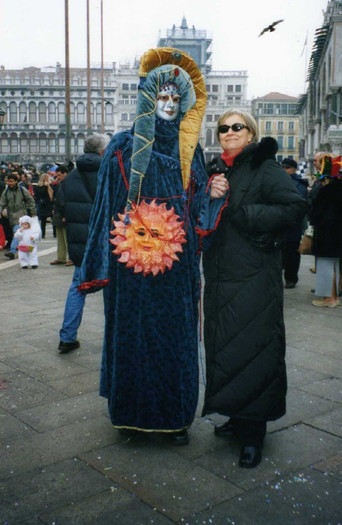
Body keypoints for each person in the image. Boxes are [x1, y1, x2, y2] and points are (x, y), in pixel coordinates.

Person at [79, 48, 228, 444]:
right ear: (149, 99)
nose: (168, 105)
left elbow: (195, 206)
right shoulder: (123, 147)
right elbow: (106, 206)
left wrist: (210, 195)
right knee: (132, 335)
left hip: (175, 266)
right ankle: (131, 416)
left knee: (173, 338)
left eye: (176, 99)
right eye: (161, 97)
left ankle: (172, 418)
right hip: (131, 262)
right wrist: (98, 263)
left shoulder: (189, 149)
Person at [202, 110, 307, 468]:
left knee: (254, 351)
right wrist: (208, 195)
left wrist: (243, 213)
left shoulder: (265, 167)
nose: (229, 132)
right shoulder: (217, 170)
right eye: (223, 128)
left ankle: (254, 434)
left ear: (250, 133)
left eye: (237, 127)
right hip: (219, 277)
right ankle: (235, 415)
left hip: (253, 280)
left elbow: (295, 208)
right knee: (226, 350)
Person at [57, 133, 110, 353]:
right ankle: (113, 340)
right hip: (107, 242)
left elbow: (60, 209)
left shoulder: (69, 178)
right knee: (112, 290)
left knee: (77, 288)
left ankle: (67, 337)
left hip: (80, 244)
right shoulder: (110, 174)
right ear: (101, 152)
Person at [310, 154, 342, 308]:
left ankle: (331, 298)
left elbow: (318, 214)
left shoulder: (327, 192)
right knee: (334, 265)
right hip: (336, 234)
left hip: (327, 234)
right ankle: (333, 296)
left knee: (326, 265)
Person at [281, 158, 308, 288]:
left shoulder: (299, 183)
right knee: (281, 251)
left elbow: (300, 202)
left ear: (294, 169)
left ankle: (291, 278)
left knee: (292, 252)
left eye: (287, 168)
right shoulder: (278, 181)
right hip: (280, 222)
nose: (284, 170)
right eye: (283, 168)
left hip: (293, 223)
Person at [0, 172, 36, 259]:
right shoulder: (6, 192)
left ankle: (12, 251)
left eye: (11, 181)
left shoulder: (22, 190)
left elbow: (30, 200)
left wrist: (32, 212)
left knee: (17, 233)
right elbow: (2, 203)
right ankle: (25, 251)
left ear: (16, 181)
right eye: (8, 181)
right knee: (19, 236)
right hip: (11, 216)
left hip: (21, 216)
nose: (10, 183)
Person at [50, 165, 73, 266]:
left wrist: (65, 214)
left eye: (60, 175)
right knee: (60, 237)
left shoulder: (69, 183)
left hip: (65, 213)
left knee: (67, 237)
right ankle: (61, 257)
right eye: (57, 175)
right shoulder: (61, 183)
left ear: (65, 174)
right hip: (59, 213)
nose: (58, 177)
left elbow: (67, 200)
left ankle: (70, 258)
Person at [35, 173, 54, 238]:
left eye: (47, 178)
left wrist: (48, 186)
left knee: (53, 219)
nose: (47, 179)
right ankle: (43, 234)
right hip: (43, 205)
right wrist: (45, 186)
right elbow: (40, 194)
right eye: (45, 178)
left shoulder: (49, 186)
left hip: (50, 204)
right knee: (43, 221)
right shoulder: (39, 187)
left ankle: (55, 233)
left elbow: (52, 193)